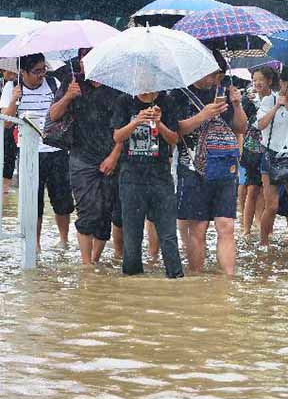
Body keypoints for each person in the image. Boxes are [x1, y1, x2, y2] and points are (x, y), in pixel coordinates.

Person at [48, 49, 123, 265]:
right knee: (87, 210)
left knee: (104, 212)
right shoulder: (72, 82)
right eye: (83, 58)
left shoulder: (116, 87)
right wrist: (69, 96)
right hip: (81, 156)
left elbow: (124, 125)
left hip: (111, 155)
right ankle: (86, 265)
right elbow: (54, 115)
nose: (86, 62)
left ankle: (94, 260)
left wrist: (114, 156)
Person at [175, 55, 248, 276]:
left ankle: (228, 280)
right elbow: (175, 131)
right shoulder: (179, 94)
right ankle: (196, 276)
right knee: (198, 227)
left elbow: (241, 128)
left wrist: (236, 104)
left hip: (225, 168)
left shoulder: (225, 93)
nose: (216, 80)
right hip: (192, 169)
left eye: (220, 76)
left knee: (226, 226)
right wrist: (203, 116)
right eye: (213, 75)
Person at [1, 53, 74, 249]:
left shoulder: (53, 84)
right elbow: (6, 124)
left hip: (56, 149)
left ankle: (64, 240)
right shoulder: (12, 88)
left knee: (62, 199)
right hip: (29, 154)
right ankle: (36, 245)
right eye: (36, 71)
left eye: (44, 70)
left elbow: (64, 113)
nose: (41, 75)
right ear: (23, 72)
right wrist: (13, 102)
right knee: (34, 202)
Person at [111, 90, 183, 278]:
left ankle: (175, 278)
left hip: (160, 175)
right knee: (132, 236)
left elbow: (174, 139)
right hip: (131, 175)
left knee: (168, 234)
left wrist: (159, 123)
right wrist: (136, 121)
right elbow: (118, 136)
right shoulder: (125, 100)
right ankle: (132, 281)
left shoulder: (167, 101)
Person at [256, 66, 288, 252]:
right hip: (271, 157)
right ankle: (263, 241)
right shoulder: (270, 100)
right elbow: (260, 124)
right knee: (272, 206)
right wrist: (277, 106)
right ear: (282, 83)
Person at [239, 67, 276, 237]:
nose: (257, 83)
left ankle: (260, 225)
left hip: (269, 148)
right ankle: (246, 229)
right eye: (254, 80)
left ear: (269, 81)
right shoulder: (249, 99)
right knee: (252, 189)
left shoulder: (275, 99)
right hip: (252, 148)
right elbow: (244, 123)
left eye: (260, 79)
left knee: (264, 191)